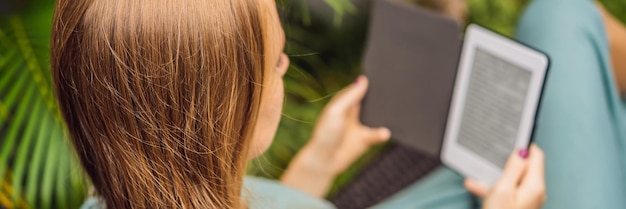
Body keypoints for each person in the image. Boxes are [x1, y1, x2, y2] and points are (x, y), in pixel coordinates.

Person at [50, 0, 545, 208]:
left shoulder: (118, 192)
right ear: (220, 121)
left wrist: (314, 166)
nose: (285, 68)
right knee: (560, 17)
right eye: (278, 62)